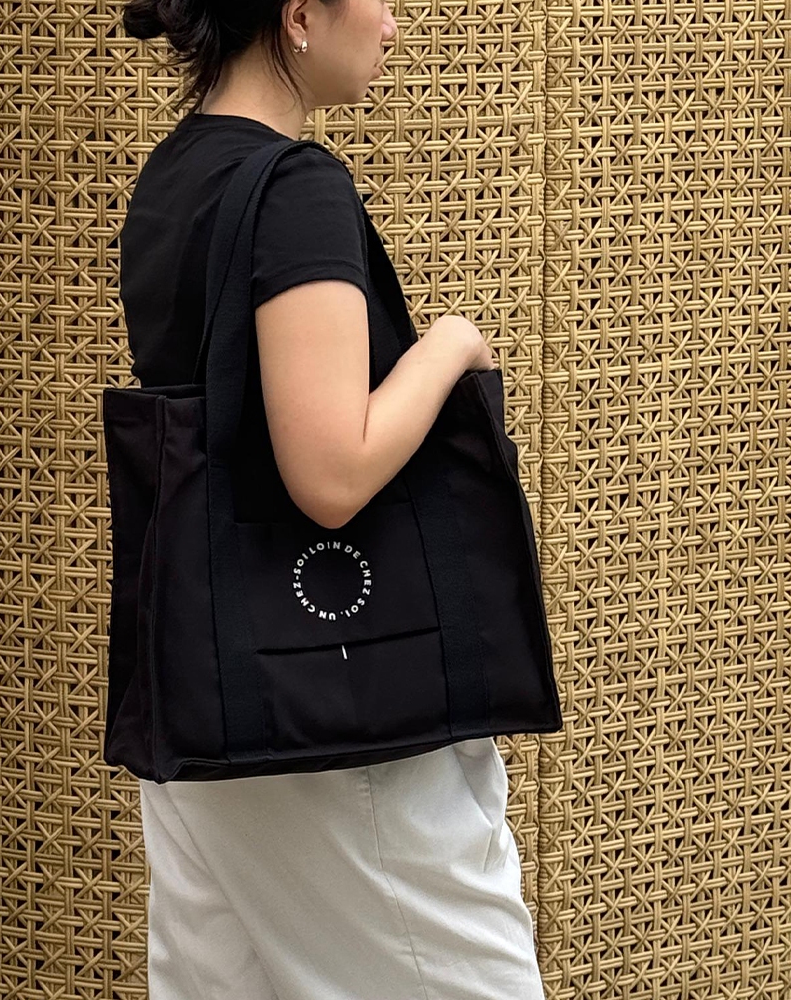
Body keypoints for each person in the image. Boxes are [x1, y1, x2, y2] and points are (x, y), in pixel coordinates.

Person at [116, 1, 544, 997]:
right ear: (300, 14)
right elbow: (331, 473)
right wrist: (451, 344)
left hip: (211, 708)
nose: (394, 24)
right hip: (342, 726)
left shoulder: (174, 176)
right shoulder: (295, 188)